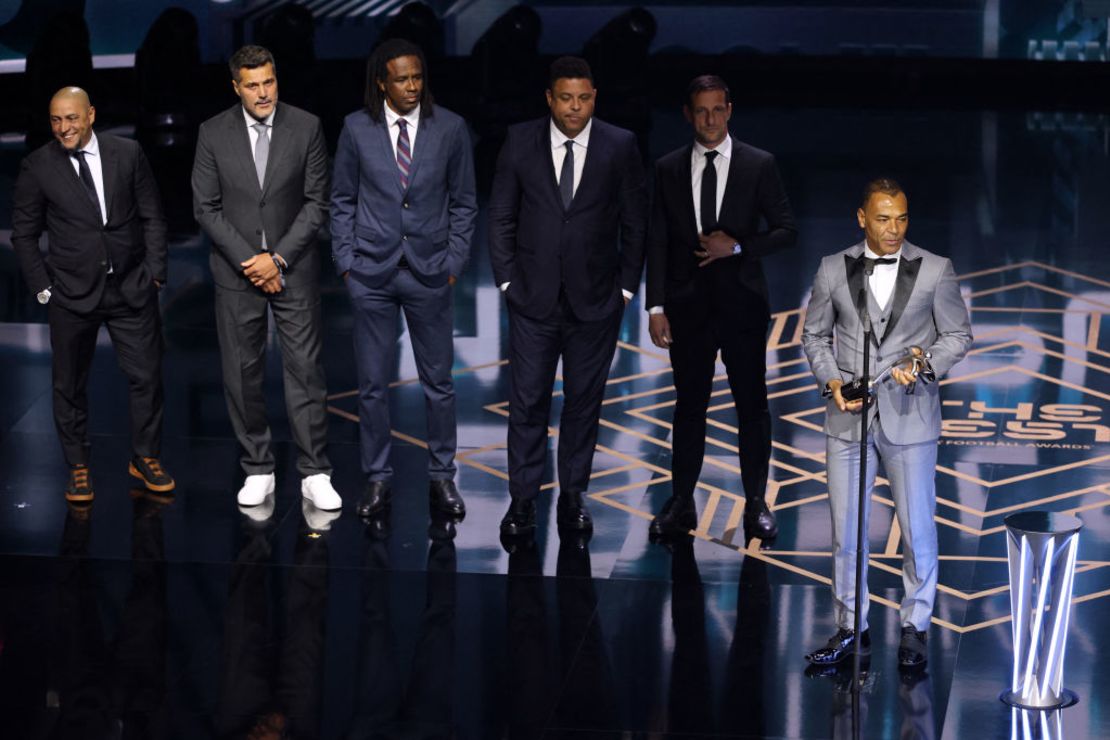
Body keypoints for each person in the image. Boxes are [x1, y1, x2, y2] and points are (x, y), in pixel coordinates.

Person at [801, 178, 972, 669]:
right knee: (845, 531)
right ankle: (852, 627)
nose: (893, 228)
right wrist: (832, 382)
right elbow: (814, 336)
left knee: (917, 528)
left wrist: (922, 364)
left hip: (910, 415)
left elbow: (958, 335)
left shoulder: (936, 270)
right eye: (882, 218)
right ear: (862, 218)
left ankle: (916, 627)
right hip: (846, 417)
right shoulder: (832, 268)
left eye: (900, 218)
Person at [488, 56, 648, 537]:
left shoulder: (620, 145)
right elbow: (500, 217)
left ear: (594, 98)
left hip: (595, 302)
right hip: (532, 301)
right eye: (565, 99)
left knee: (584, 404)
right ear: (549, 99)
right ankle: (522, 501)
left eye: (583, 99)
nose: (574, 108)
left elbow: (635, 224)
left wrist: (623, 289)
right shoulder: (520, 140)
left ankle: (573, 496)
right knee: (528, 402)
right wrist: (506, 283)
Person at [645, 75, 796, 541]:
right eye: (700, 111)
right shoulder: (668, 167)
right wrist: (655, 306)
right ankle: (681, 502)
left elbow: (786, 229)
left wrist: (736, 248)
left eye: (717, 110)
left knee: (752, 407)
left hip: (742, 307)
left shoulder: (758, 164)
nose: (709, 120)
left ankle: (755, 503)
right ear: (689, 114)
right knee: (689, 406)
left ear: (729, 110)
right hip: (687, 309)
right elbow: (659, 240)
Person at [331, 38, 477, 520]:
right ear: (382, 82)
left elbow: (464, 203)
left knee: (439, 384)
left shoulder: (451, 127)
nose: (413, 86)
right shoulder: (356, 128)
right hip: (370, 273)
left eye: (418, 77)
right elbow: (343, 200)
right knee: (372, 385)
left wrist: (453, 263)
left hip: (430, 272)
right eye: (402, 78)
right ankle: (377, 479)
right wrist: (347, 264)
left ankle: (442, 478)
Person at [192, 45, 340, 511]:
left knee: (306, 371)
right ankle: (258, 467)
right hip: (237, 272)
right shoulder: (212, 132)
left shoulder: (307, 126)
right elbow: (206, 208)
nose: (263, 93)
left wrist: (276, 260)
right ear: (235, 86)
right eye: (252, 85)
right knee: (242, 373)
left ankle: (315, 471)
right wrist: (251, 260)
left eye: (269, 82)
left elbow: (318, 202)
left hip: (292, 268)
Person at [11, 86, 173, 502]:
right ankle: (78, 466)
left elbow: (153, 215)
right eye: (56, 120)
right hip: (70, 293)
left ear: (91, 115)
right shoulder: (38, 166)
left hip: (130, 287)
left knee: (147, 377)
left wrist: (155, 272)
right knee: (69, 384)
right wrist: (44, 289)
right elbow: (25, 235)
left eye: (72, 118)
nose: (64, 127)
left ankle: (145, 456)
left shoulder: (128, 154)